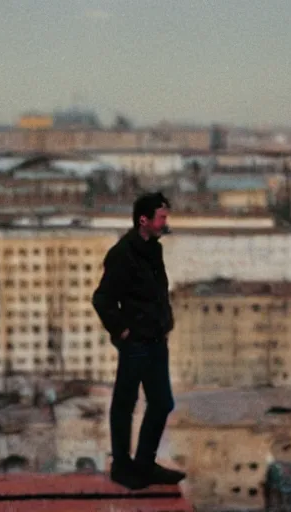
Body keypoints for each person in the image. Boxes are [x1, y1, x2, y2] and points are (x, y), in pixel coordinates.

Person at [92, 192, 186, 489]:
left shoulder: (152, 250)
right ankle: (122, 467)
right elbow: (103, 298)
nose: (164, 223)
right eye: (161, 218)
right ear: (143, 220)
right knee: (125, 403)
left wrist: (164, 322)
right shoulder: (123, 253)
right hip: (136, 343)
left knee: (161, 402)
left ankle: (144, 464)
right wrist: (122, 332)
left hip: (156, 340)